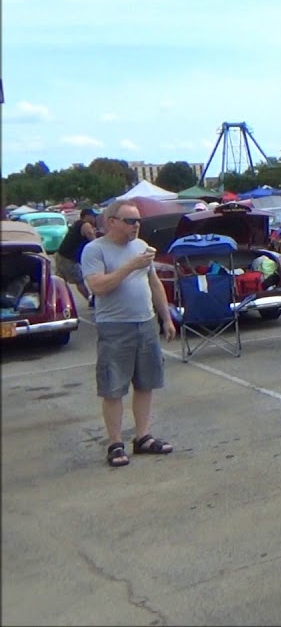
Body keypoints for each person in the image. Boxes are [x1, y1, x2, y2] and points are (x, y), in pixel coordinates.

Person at [81, 199, 178, 468]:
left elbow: (154, 283)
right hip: (115, 326)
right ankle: (115, 443)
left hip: (145, 323)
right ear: (112, 222)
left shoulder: (142, 248)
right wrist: (129, 266)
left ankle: (143, 436)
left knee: (146, 383)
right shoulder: (95, 250)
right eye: (130, 221)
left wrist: (166, 317)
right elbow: (98, 287)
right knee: (113, 387)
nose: (136, 226)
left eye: (138, 221)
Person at [54, 208, 99, 301]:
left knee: (59, 280)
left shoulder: (77, 224)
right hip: (69, 258)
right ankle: (90, 300)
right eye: (93, 216)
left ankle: (55, 298)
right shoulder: (86, 225)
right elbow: (94, 241)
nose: (95, 218)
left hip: (60, 254)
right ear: (87, 216)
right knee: (79, 281)